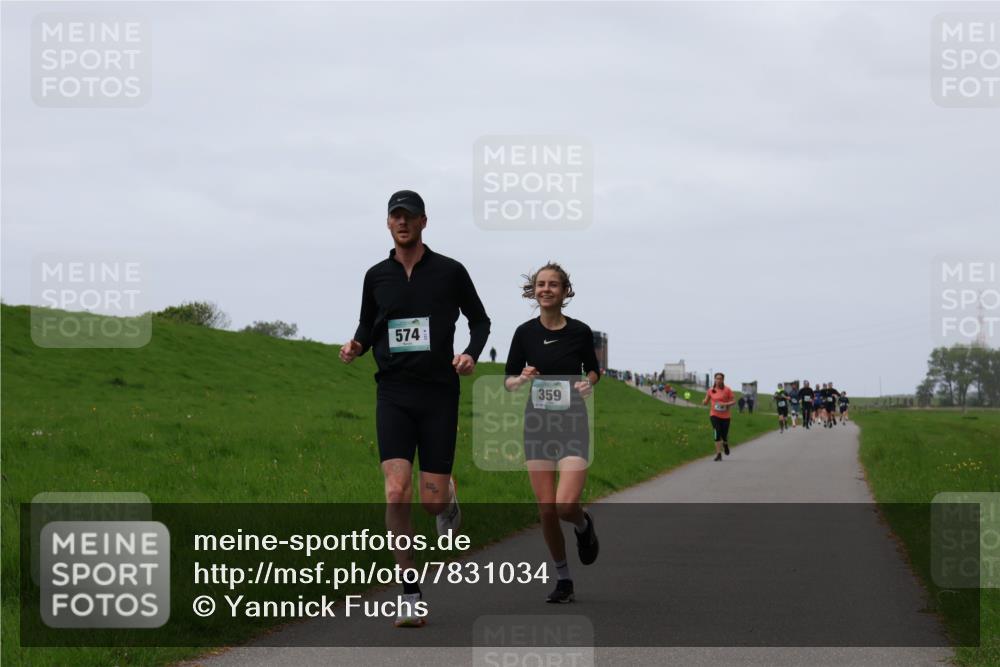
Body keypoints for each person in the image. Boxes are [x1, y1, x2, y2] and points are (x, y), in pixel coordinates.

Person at [340, 190, 491, 627]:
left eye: (409, 216)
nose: (402, 222)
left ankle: (448, 500)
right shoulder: (376, 275)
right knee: (395, 490)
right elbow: (369, 323)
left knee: (430, 500)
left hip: (440, 392)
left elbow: (480, 320)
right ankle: (408, 593)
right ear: (388, 224)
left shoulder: (450, 271)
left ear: (424, 222)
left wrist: (470, 354)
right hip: (393, 391)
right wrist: (357, 345)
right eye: (395, 216)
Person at [504, 262, 600, 604]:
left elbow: (592, 370)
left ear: (565, 291)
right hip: (538, 426)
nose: (546, 289)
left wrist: (588, 384)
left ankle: (583, 525)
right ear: (533, 291)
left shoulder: (580, 331)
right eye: (540, 284)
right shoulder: (523, 333)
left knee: (564, 505)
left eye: (553, 284)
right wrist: (522, 379)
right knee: (546, 508)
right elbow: (509, 381)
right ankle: (563, 578)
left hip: (572, 422)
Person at [702, 372, 736, 460]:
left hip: (725, 417)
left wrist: (725, 404)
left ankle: (725, 444)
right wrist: (704, 402)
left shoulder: (727, 390)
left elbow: (733, 401)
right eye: (717, 378)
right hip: (714, 415)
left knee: (724, 435)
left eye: (720, 378)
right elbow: (706, 401)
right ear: (715, 379)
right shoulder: (710, 390)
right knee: (716, 433)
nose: (718, 380)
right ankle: (718, 454)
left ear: (723, 380)